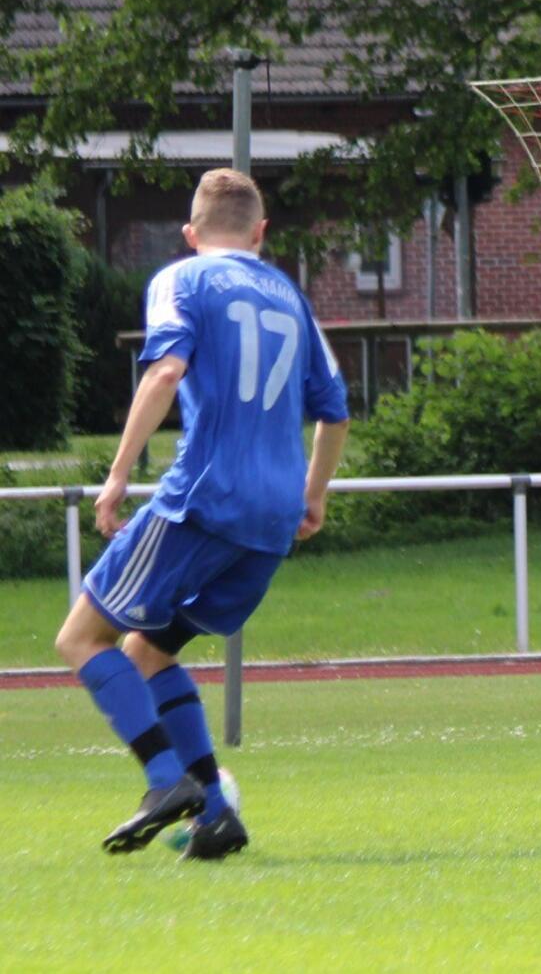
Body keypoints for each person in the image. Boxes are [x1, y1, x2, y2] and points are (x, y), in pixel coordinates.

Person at [51, 168, 350, 859]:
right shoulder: (290, 295)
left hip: (202, 498)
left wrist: (118, 475)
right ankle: (215, 812)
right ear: (260, 233)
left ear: (190, 234)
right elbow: (335, 411)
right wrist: (313, 495)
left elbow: (163, 373)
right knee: (148, 649)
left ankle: (165, 781)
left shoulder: (180, 281)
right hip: (271, 520)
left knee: (81, 637)